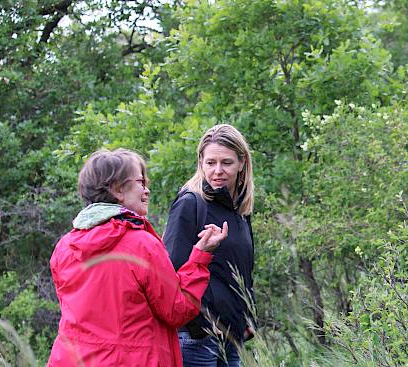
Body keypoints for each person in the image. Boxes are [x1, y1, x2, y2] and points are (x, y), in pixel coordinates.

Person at [48, 149, 228, 367]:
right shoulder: (142, 244)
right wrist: (201, 255)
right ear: (117, 190)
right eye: (141, 182)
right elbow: (177, 310)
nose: (147, 190)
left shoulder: (65, 246)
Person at [164, 124, 256, 367]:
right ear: (201, 163)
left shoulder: (240, 211)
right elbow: (171, 273)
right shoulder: (190, 203)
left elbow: (243, 272)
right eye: (210, 162)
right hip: (196, 339)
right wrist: (200, 326)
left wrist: (246, 319)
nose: (218, 171)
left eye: (226, 163)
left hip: (232, 338)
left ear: (241, 163)